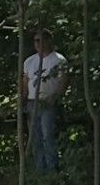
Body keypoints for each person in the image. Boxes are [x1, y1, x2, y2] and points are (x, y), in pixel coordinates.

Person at [22, 31, 68, 173]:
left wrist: (55, 98)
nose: (38, 44)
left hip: (48, 103)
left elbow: (63, 81)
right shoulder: (29, 61)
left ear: (49, 40)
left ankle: (52, 171)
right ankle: (40, 171)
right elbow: (25, 82)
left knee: (48, 136)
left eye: (41, 40)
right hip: (32, 103)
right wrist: (23, 100)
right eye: (36, 40)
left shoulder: (59, 60)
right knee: (35, 138)